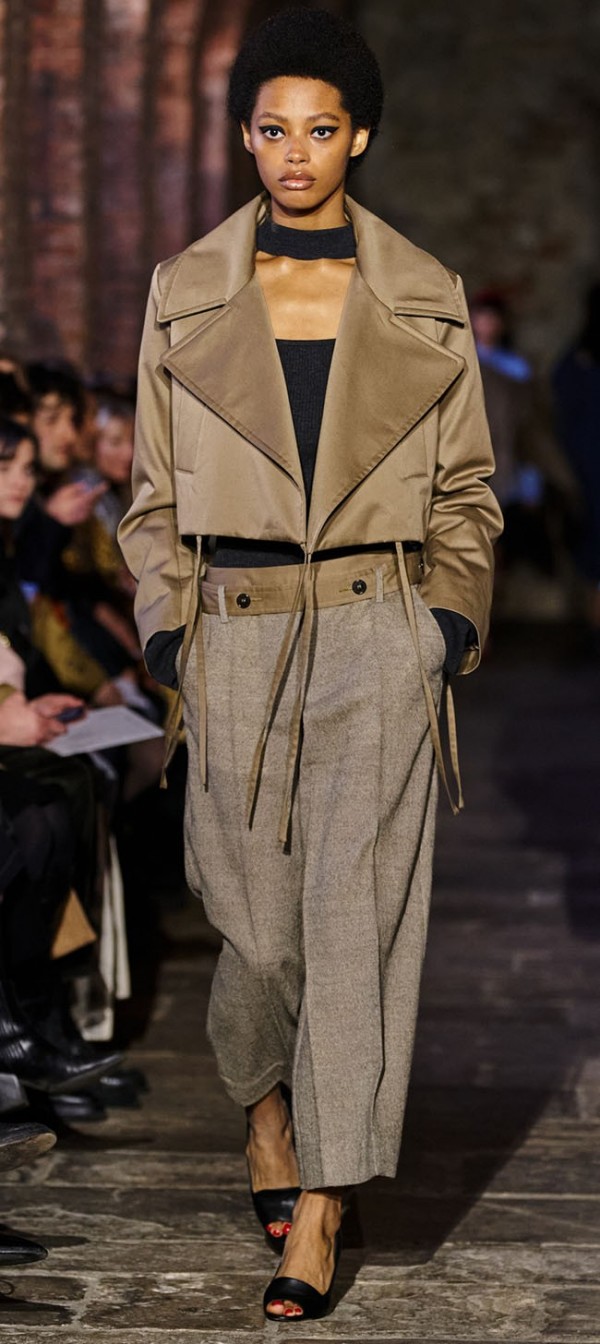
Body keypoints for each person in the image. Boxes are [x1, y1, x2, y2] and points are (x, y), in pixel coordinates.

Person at [119, 8, 502, 1322]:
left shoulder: (424, 293)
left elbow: (468, 491)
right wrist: (168, 629)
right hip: (232, 634)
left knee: (356, 929)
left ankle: (324, 1206)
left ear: (361, 139)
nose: (296, 151)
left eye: (321, 128)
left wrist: (442, 627)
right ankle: (265, 1112)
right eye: (274, 128)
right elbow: (151, 498)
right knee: (259, 935)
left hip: (376, 629)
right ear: (244, 137)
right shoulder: (184, 290)